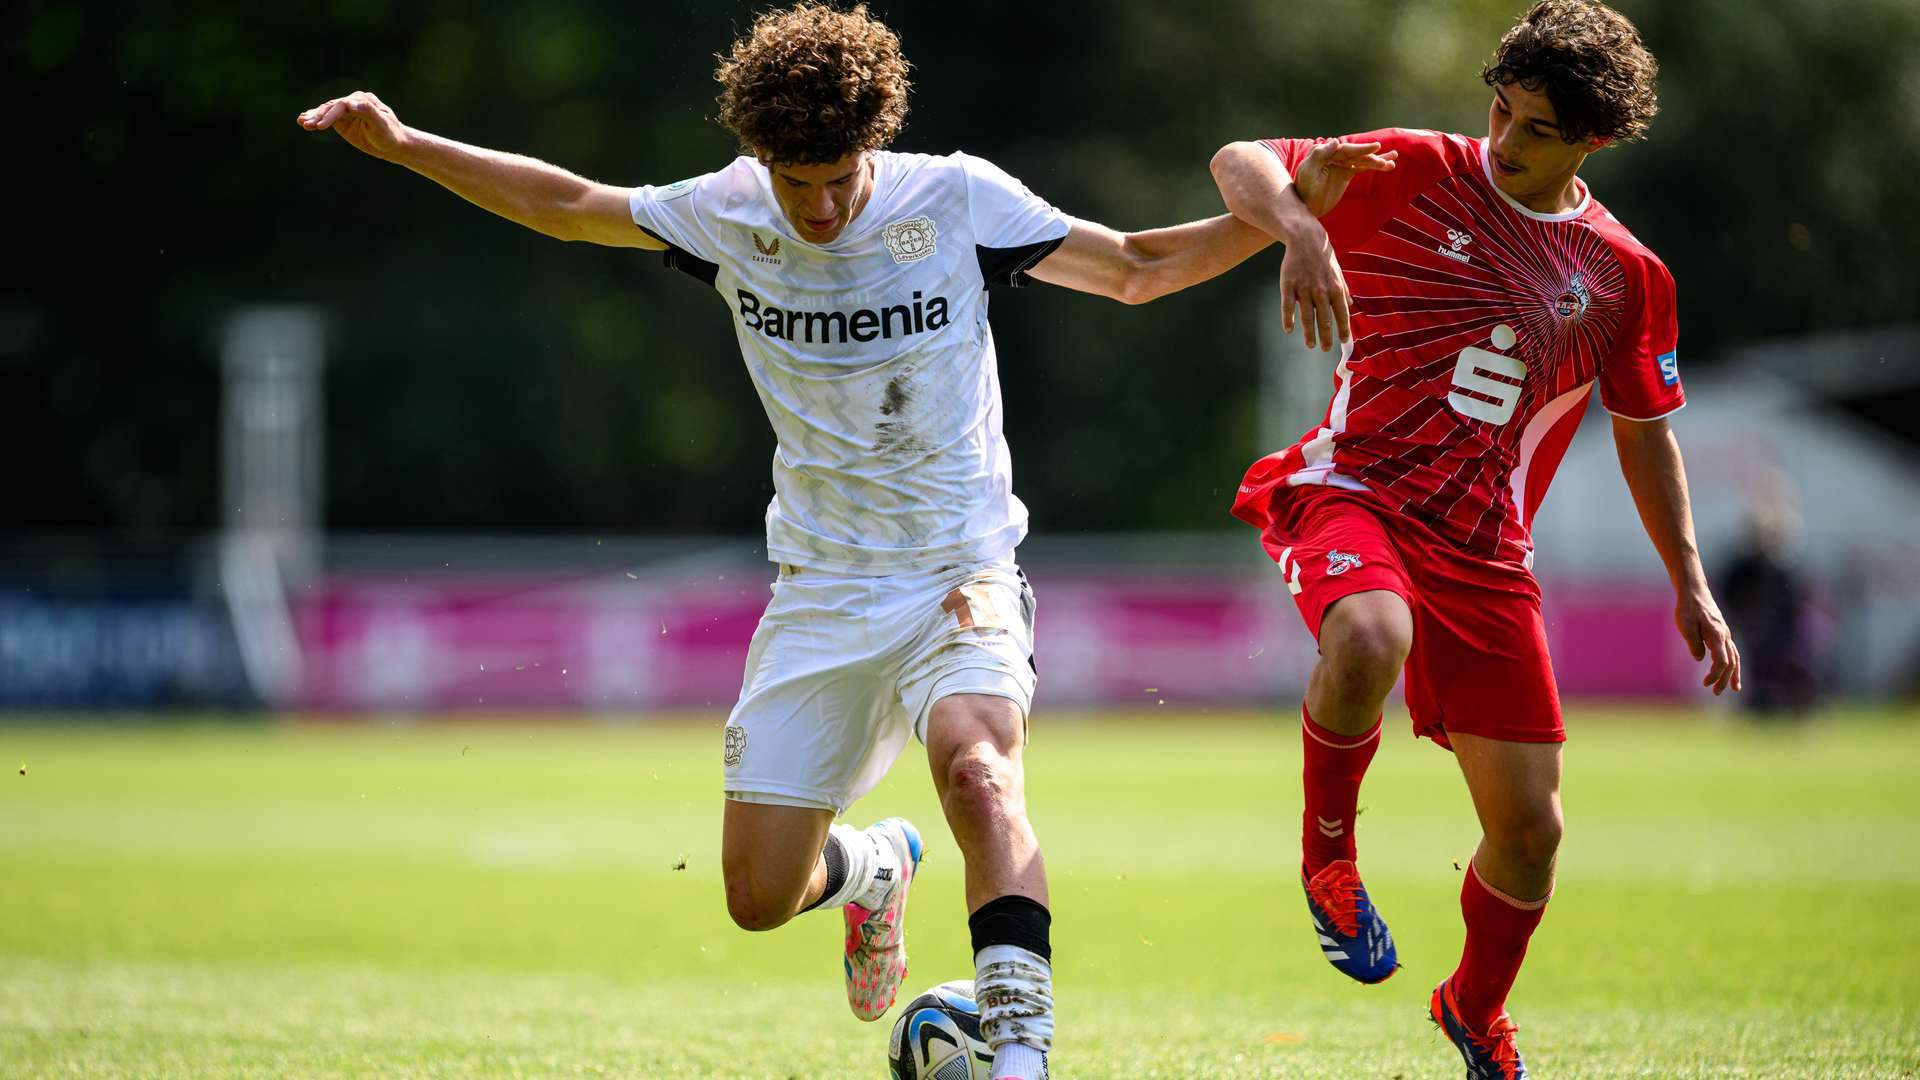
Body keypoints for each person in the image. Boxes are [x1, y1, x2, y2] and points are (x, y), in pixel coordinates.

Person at [299, 5, 1365, 1077]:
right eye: (791, 180)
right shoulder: (724, 208)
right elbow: (572, 206)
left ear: (878, 141)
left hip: (962, 570)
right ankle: (871, 872)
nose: (817, 206)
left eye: (838, 177)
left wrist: (1287, 225)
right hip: (823, 586)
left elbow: (1136, 266)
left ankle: (1022, 1052)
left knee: (980, 773)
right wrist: (404, 145)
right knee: (759, 897)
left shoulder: (952, 196)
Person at [1210, 2, 1742, 1075]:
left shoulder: (1624, 278)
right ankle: (1330, 863)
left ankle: (1473, 1007)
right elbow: (1238, 160)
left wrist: (1690, 582)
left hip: (1487, 550)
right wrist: (1304, 230)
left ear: (1593, 137)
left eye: (1537, 128)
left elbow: (1648, 438)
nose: (1504, 140)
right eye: (1500, 110)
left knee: (1533, 835)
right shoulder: (1407, 167)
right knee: (1367, 636)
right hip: (1353, 484)